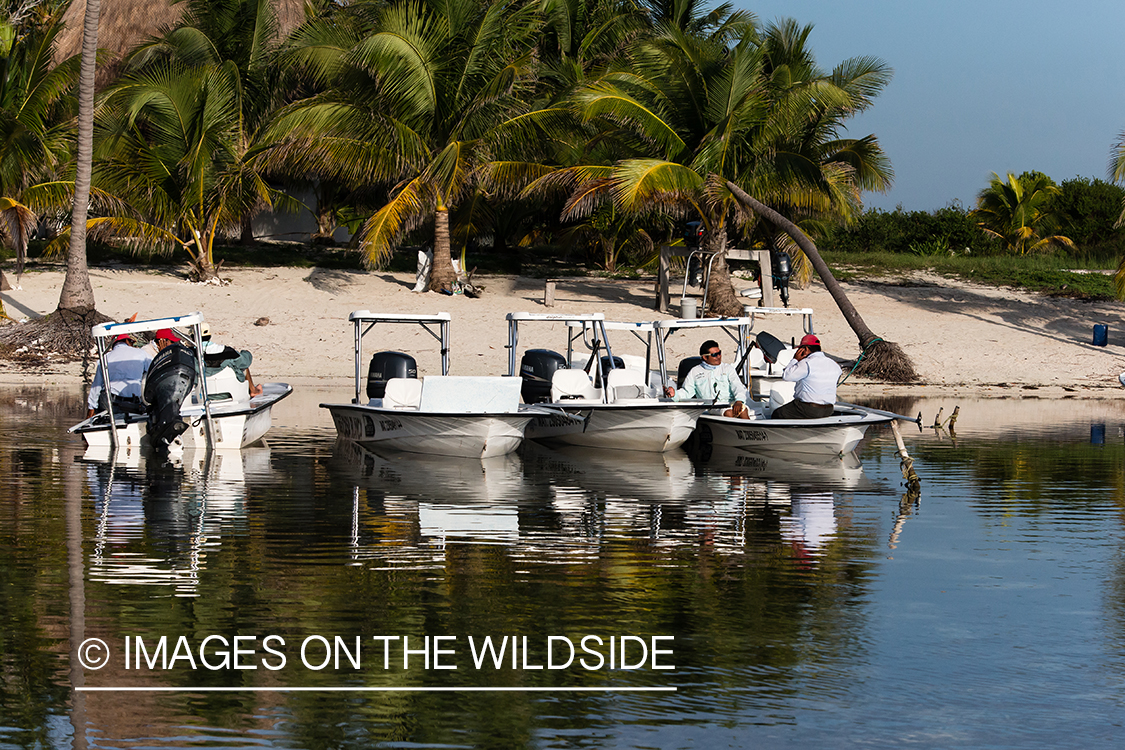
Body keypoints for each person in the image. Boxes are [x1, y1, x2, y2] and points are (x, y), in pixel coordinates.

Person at [664, 339, 750, 418]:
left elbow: (737, 386)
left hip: (731, 403)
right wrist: (674, 394)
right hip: (712, 406)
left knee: (743, 410)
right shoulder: (695, 371)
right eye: (714, 355)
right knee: (728, 413)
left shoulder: (728, 368)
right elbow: (687, 392)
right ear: (705, 357)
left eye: (719, 353)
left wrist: (739, 401)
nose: (718, 356)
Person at [770, 333, 841, 420]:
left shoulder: (807, 363)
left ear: (805, 349)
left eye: (800, 349)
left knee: (777, 414)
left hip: (809, 409)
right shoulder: (834, 364)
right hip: (828, 409)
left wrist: (795, 359)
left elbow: (786, 376)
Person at [86, 333, 153, 417]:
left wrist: (91, 409)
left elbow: (96, 386)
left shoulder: (105, 358)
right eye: (131, 342)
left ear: (113, 344)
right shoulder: (142, 354)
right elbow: (154, 369)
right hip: (133, 402)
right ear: (126, 341)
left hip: (109, 401)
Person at [199, 323, 263, 396]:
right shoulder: (226, 351)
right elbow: (245, 362)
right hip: (230, 394)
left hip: (203, 395)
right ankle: (253, 390)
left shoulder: (191, 355)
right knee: (242, 365)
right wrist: (246, 353)